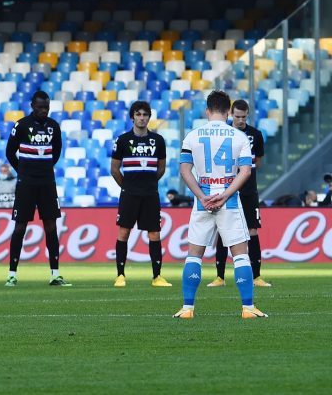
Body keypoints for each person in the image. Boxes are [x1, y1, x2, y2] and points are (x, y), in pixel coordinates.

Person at [174, 90, 267, 319]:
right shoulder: (239, 137)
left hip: (202, 199)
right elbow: (246, 171)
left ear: (207, 111)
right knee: (240, 255)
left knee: (194, 255)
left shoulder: (192, 136)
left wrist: (201, 196)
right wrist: (224, 195)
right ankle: (247, 308)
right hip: (229, 200)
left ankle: (187, 309)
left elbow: (184, 170)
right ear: (228, 112)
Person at [5, 91, 69, 287]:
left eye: (46, 107)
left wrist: (44, 168)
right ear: (32, 105)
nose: (43, 111)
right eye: (40, 107)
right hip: (26, 184)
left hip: (47, 183)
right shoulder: (22, 125)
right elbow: (9, 152)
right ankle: (12, 274)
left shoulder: (53, 127)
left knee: (51, 226)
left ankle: (55, 274)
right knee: (20, 226)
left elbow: (56, 152)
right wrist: (23, 171)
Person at [109, 101, 171, 288]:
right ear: (132, 117)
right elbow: (114, 169)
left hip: (150, 194)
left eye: (145, 114)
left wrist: (149, 183)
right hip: (129, 194)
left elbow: (161, 168)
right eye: (138, 114)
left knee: (154, 234)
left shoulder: (158, 141)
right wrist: (127, 186)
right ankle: (120, 275)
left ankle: (157, 276)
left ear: (149, 117)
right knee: (124, 232)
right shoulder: (122, 140)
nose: (142, 118)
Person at [210, 100, 270, 288]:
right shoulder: (224, 134)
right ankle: (220, 276)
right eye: (237, 116)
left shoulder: (256, 135)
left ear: (248, 115)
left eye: (244, 117)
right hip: (226, 190)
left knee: (252, 230)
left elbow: (257, 161)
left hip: (249, 191)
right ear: (230, 114)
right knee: (222, 230)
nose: (240, 120)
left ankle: (257, 276)